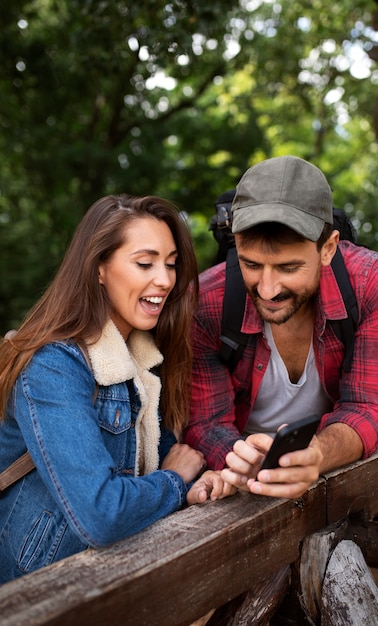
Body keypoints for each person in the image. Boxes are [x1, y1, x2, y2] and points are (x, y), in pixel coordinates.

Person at [0, 194, 233, 584]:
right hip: (37, 591)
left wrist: (195, 484)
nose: (165, 279)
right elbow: (101, 513)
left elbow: (164, 463)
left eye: (171, 264)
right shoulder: (52, 365)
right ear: (99, 269)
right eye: (145, 263)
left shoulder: (146, 364)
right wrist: (175, 482)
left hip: (114, 582)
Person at [184, 155, 378, 499]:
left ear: (327, 248)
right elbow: (206, 424)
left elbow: (366, 404)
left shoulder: (368, 282)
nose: (268, 289)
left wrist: (317, 454)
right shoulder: (205, 303)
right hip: (239, 482)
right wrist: (244, 458)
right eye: (251, 264)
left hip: (330, 466)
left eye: (288, 268)